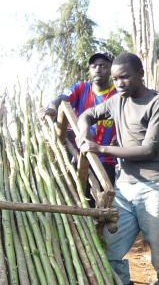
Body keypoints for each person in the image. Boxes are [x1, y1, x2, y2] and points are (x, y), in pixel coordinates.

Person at [77, 52, 159, 285]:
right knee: (111, 252)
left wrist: (101, 148)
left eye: (125, 77)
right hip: (124, 188)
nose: (119, 83)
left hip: (154, 188)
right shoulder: (116, 101)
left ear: (140, 74)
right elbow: (87, 114)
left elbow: (149, 150)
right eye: (115, 78)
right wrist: (83, 133)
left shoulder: (157, 103)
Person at [43, 52, 118, 203]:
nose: (98, 69)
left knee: (100, 203)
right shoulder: (82, 88)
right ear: (90, 70)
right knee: (77, 200)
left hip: (105, 160)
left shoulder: (118, 95)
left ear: (111, 70)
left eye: (103, 66)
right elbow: (62, 99)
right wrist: (52, 107)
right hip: (79, 158)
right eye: (94, 66)